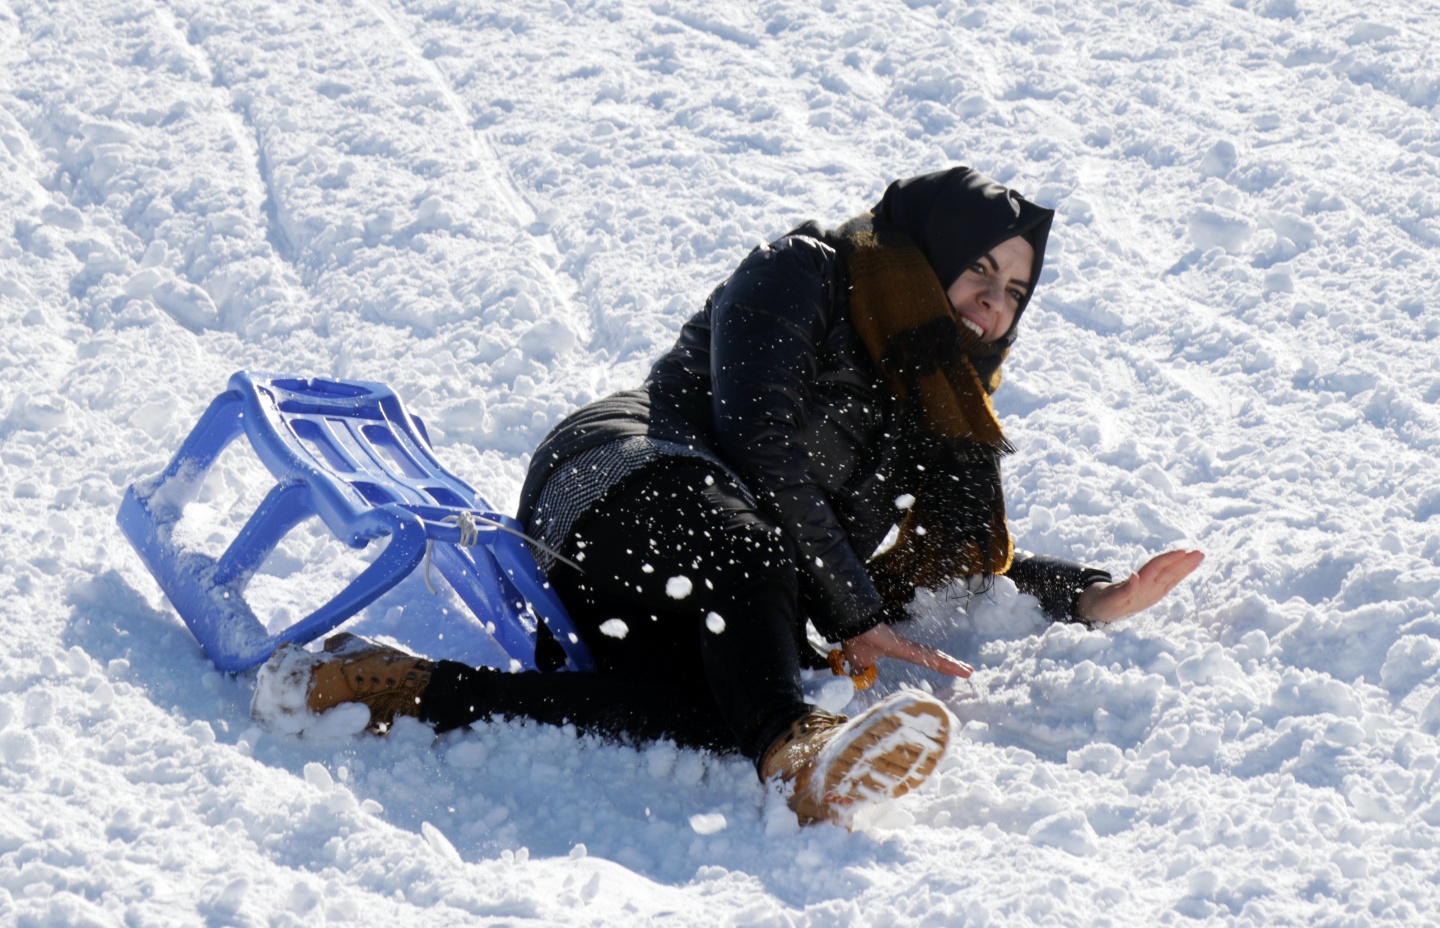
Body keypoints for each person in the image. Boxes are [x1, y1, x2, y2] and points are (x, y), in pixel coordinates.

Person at [253, 168, 1203, 826]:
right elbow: (758, 438)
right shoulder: (805, 271)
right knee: (751, 575)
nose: (992, 303)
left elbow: (939, 564)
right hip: (620, 481)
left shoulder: (935, 401)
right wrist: (853, 610)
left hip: (728, 572)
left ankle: (396, 688)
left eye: (1015, 293)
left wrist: (1083, 596)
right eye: (980, 270)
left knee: (718, 710)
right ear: (929, 248)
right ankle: (802, 750)